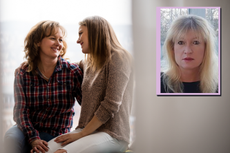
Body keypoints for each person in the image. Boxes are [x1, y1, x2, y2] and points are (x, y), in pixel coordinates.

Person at [46, 16, 134, 153]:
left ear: (95, 32)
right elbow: (64, 67)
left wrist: (81, 134)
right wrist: (32, 64)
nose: (78, 40)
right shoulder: (88, 63)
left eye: (81, 33)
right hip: (87, 131)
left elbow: (111, 104)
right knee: (43, 150)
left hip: (113, 134)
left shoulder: (119, 57)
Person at [4, 20, 83, 153]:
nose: (58, 43)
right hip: (26, 129)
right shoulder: (23, 72)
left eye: (60, 40)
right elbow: (20, 112)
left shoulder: (72, 72)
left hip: (55, 133)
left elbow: (87, 105)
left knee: (40, 149)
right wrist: (33, 137)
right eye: (53, 38)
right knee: (11, 138)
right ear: (37, 42)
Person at [161, 15, 218, 93]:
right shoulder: (156, 84)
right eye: (181, 42)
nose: (187, 51)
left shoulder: (219, 87)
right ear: (172, 48)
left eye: (195, 42)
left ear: (206, 48)